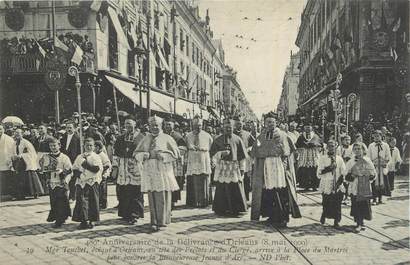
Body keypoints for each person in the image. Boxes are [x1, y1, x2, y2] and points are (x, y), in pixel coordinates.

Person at [251, 113, 301, 227]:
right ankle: (271, 215)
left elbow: (290, 150)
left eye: (272, 122)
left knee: (280, 190)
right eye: (268, 122)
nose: (270, 124)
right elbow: (255, 150)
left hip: (279, 166)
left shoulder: (283, 135)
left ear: (276, 123)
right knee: (268, 191)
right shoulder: (261, 137)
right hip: (266, 166)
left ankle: (283, 217)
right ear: (264, 123)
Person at [134, 116, 180, 231]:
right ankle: (154, 221)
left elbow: (176, 154)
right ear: (149, 126)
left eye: (157, 125)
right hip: (150, 170)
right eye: (152, 125)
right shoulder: (145, 138)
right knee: (152, 195)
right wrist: (143, 156)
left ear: (161, 126)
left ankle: (163, 220)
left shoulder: (167, 138)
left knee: (162, 195)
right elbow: (136, 153)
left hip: (163, 170)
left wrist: (164, 156)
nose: (154, 127)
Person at [210, 119, 248, 216]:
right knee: (222, 188)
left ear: (233, 127)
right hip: (222, 166)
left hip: (234, 167)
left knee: (235, 187)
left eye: (230, 127)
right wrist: (221, 153)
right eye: (226, 127)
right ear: (222, 127)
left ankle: (236, 210)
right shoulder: (217, 140)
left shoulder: (237, 139)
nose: (228, 129)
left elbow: (242, 156)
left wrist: (242, 168)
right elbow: (212, 155)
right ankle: (222, 209)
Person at [113, 118, 144, 224]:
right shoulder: (120, 138)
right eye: (126, 124)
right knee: (124, 190)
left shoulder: (141, 137)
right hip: (123, 166)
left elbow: (144, 151)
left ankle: (135, 214)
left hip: (135, 166)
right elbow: (116, 153)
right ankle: (125, 213)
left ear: (135, 124)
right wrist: (115, 167)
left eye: (130, 124)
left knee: (135, 191)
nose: (128, 126)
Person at [39, 138, 72, 228]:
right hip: (52, 182)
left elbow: (70, 170)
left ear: (59, 146)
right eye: (51, 146)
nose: (53, 147)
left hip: (61, 182)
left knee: (62, 200)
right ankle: (58, 217)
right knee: (54, 201)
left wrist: (62, 172)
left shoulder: (64, 157)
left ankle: (60, 219)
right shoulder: (47, 157)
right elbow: (45, 169)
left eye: (54, 145)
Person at [72, 138, 102, 229]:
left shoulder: (96, 157)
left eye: (91, 145)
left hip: (92, 181)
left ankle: (92, 220)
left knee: (93, 201)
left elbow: (96, 169)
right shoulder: (79, 157)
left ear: (94, 147)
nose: (88, 147)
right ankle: (83, 220)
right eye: (87, 145)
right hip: (81, 182)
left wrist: (85, 164)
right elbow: (75, 168)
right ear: (83, 146)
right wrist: (80, 175)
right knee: (81, 201)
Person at [345, 143, 376, 233]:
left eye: (359, 149)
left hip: (364, 184)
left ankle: (362, 222)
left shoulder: (367, 160)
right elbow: (345, 175)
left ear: (363, 150)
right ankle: (358, 222)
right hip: (355, 184)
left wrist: (370, 176)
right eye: (355, 149)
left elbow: (373, 173)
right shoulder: (350, 162)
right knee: (356, 203)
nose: (357, 150)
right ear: (353, 150)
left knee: (364, 204)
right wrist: (352, 176)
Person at [185, 116, 213, 208]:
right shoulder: (188, 136)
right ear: (192, 125)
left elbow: (210, 147)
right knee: (193, 179)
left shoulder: (207, 136)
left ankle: (205, 200)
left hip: (203, 159)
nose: (198, 127)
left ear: (202, 125)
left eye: (200, 125)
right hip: (193, 159)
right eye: (196, 125)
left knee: (204, 178)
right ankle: (193, 201)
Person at [317, 140, 346, 228]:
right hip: (326, 182)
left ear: (335, 147)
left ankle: (336, 220)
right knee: (326, 201)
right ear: (327, 148)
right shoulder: (323, 158)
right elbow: (319, 173)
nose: (331, 148)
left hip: (337, 182)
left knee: (337, 202)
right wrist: (329, 168)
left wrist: (339, 183)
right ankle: (324, 214)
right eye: (329, 146)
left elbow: (343, 172)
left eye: (333, 146)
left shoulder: (339, 159)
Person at [11, 128, 44, 200]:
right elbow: (13, 152)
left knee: (30, 177)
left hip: (26, 162)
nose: (17, 135)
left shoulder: (26, 142)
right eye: (15, 133)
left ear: (22, 134)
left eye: (18, 133)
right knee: (20, 178)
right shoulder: (14, 143)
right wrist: (14, 156)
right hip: (19, 163)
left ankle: (35, 193)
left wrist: (22, 155)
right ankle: (21, 195)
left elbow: (31, 153)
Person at [163, 118, 187, 207]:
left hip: (175, 162)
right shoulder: (162, 135)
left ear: (173, 125)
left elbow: (183, 149)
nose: (167, 126)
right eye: (166, 124)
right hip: (164, 161)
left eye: (169, 124)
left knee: (175, 180)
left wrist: (173, 153)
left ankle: (173, 200)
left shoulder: (178, 136)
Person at [233, 116, 255, 202]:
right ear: (235, 124)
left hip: (245, 159)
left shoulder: (247, 134)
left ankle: (245, 198)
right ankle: (236, 198)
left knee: (245, 178)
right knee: (235, 178)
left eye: (241, 124)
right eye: (238, 124)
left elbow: (256, 144)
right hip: (234, 159)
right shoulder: (232, 134)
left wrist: (249, 149)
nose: (239, 126)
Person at [295, 124, 322, 191]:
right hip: (305, 154)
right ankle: (305, 185)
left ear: (311, 128)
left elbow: (320, 144)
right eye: (306, 127)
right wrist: (303, 145)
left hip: (313, 154)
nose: (307, 128)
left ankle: (314, 185)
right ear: (304, 128)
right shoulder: (301, 137)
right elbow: (297, 145)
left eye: (309, 127)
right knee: (305, 170)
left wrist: (314, 145)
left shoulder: (315, 136)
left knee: (314, 169)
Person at [368, 130, 391, 204]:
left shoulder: (385, 145)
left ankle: (380, 198)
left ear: (381, 136)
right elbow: (369, 156)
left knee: (382, 182)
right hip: (374, 167)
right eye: (375, 136)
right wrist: (371, 164)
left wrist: (386, 162)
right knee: (374, 182)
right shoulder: (371, 145)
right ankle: (374, 198)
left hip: (382, 166)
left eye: (378, 136)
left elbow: (388, 155)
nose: (376, 138)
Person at [60, 121, 81, 201]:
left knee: (73, 179)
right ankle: (65, 195)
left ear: (74, 128)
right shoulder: (63, 138)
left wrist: (77, 161)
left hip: (74, 160)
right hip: (65, 161)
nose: (68, 129)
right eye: (67, 128)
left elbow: (79, 151)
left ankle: (73, 196)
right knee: (65, 178)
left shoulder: (78, 138)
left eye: (70, 127)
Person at [0, 124, 16, 197]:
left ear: (3, 130)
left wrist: (10, 161)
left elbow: (12, 150)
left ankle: (9, 193)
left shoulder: (9, 139)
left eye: (0, 129)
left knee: (7, 178)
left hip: (6, 160)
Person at [95, 140, 111, 210]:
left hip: (103, 175)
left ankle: (103, 204)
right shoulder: (96, 154)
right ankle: (99, 203)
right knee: (99, 190)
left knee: (103, 190)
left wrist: (102, 172)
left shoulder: (102, 155)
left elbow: (107, 165)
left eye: (94, 146)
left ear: (98, 147)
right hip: (98, 175)